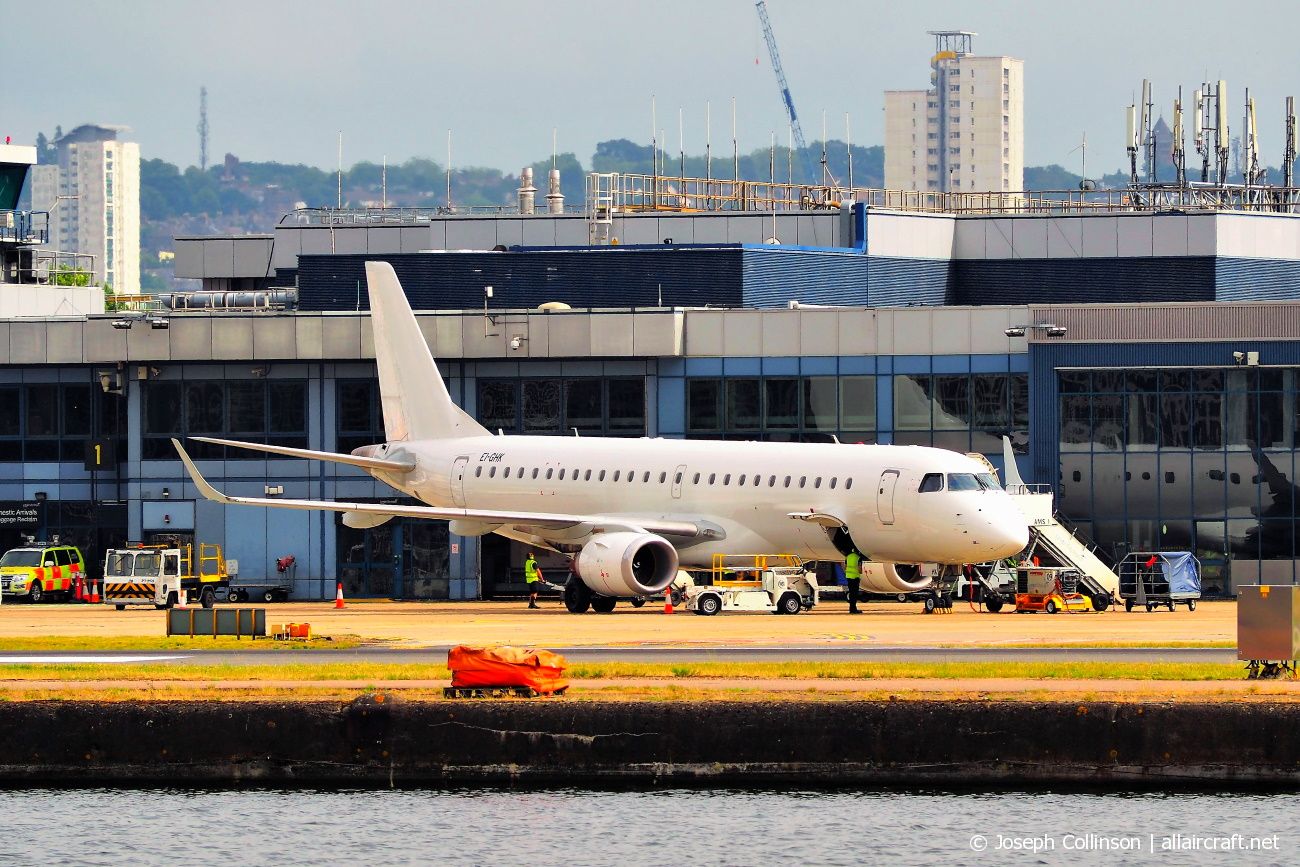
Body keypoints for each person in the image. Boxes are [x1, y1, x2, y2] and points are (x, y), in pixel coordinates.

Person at [844, 547, 863, 614]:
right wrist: (861, 572)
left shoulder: (848, 557)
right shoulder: (858, 557)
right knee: (854, 594)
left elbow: (845, 567)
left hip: (848, 577)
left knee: (851, 593)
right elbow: (859, 569)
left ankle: (852, 608)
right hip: (855, 577)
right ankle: (853, 609)